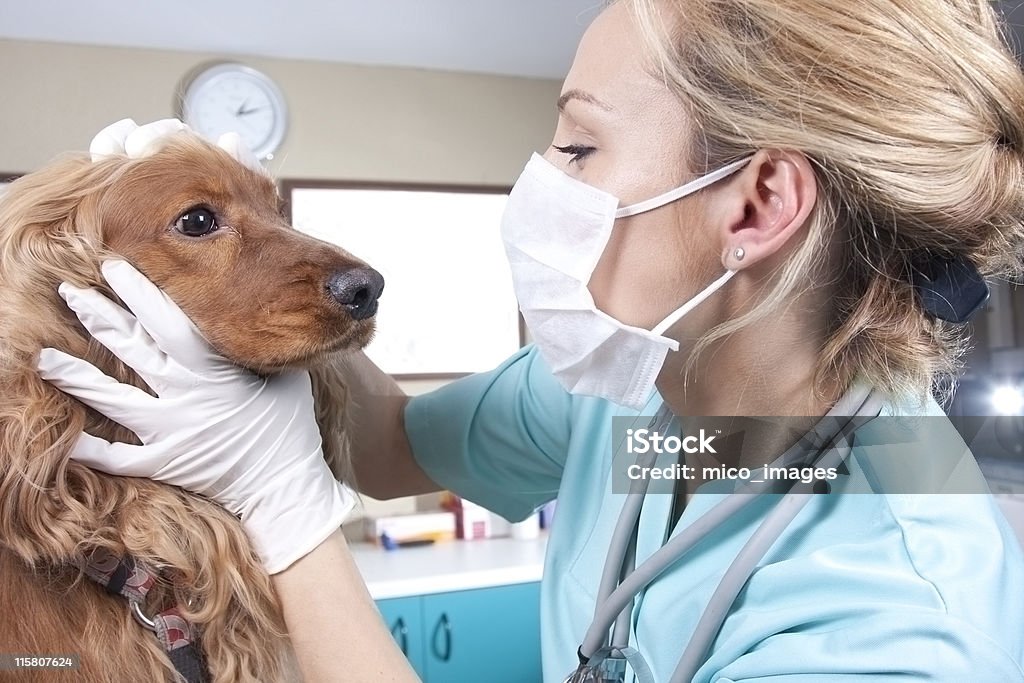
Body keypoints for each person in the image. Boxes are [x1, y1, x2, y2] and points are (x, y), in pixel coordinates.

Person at [36, 0, 1024, 680]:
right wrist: (261, 297)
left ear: (757, 204)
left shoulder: (896, 622)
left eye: (580, 146)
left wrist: (285, 508)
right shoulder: (640, 394)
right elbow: (386, 442)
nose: (541, 177)